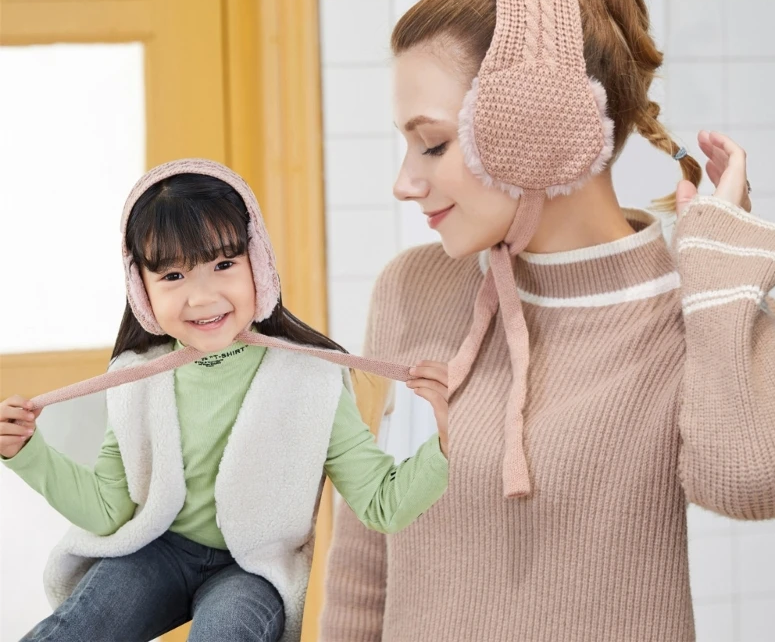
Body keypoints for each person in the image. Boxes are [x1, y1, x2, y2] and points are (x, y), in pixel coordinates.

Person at [321, 0, 775, 641]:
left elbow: (754, 484)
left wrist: (722, 273)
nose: (405, 182)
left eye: (433, 144)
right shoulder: (413, 290)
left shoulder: (691, 310)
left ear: (536, 128)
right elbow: (365, 563)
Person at [1, 159, 448, 642]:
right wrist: (25, 453)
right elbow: (109, 511)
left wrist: (447, 439)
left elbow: (383, 504)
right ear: (141, 290)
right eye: (172, 276)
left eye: (224, 264)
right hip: (159, 550)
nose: (201, 296)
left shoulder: (311, 376)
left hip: (251, 569)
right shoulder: (135, 378)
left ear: (258, 264)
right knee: (78, 628)